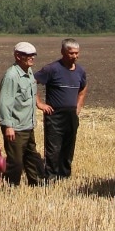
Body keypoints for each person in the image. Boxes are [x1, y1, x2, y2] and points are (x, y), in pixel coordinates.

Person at [36, 38, 88, 180]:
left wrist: (78, 108)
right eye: (71, 53)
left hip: (71, 114)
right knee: (53, 148)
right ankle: (50, 177)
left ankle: (64, 175)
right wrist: (39, 103)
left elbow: (83, 89)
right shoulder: (51, 69)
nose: (75, 56)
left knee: (68, 146)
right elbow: (31, 82)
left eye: (77, 53)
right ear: (63, 52)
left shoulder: (80, 71)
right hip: (54, 114)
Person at [0, 41, 45, 186]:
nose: (31, 58)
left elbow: (32, 94)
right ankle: (11, 186)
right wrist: (8, 126)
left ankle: (36, 182)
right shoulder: (12, 76)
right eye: (27, 55)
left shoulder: (28, 72)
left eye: (33, 55)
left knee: (31, 156)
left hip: (28, 124)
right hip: (16, 127)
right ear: (18, 56)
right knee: (16, 161)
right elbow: (4, 103)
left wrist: (39, 104)